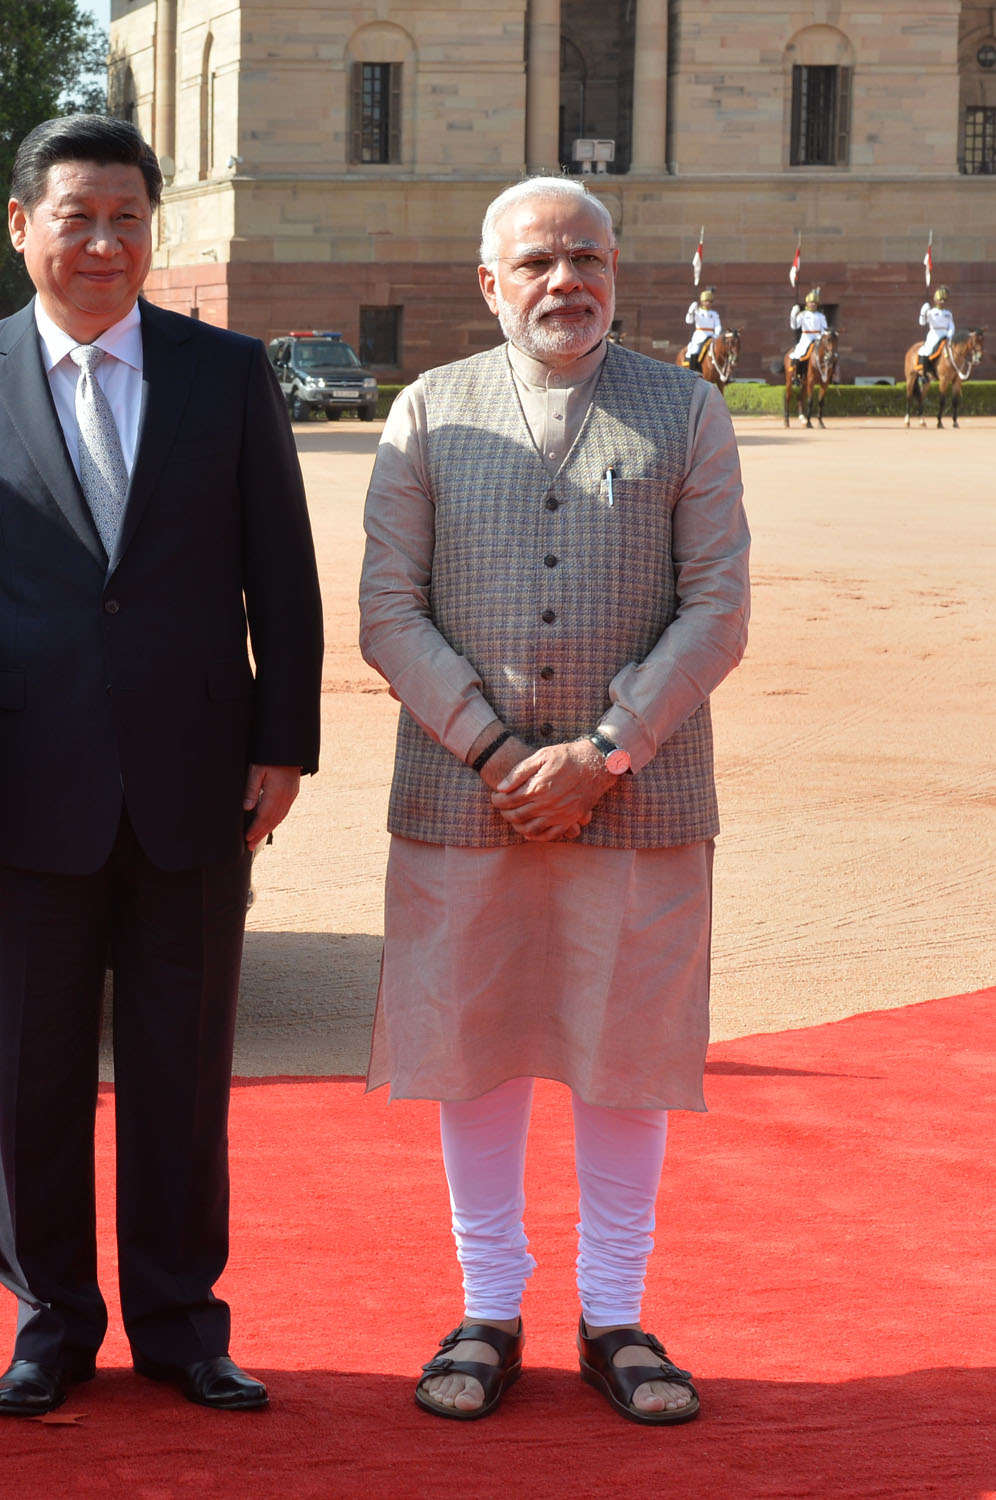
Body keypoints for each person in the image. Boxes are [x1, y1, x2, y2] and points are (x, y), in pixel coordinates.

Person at [0, 114, 325, 1419]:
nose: (103, 240)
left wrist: (283, 741)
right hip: (38, 776)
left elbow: (279, 576)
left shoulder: (226, 375)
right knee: (33, 1069)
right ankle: (50, 1321)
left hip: (200, 780)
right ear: (20, 227)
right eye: (76, 215)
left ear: (154, 232)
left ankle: (184, 1323)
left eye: (128, 216)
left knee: (183, 1068)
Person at [359, 175, 749, 1427]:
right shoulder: (427, 410)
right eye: (535, 262)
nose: (563, 280)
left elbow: (718, 609)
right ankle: (487, 1308)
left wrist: (605, 752)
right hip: (461, 798)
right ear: (490, 283)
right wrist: (493, 753)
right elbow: (386, 612)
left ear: (618, 271)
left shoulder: (687, 409)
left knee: (625, 1064)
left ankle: (617, 1314)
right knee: (472, 1058)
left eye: (586, 256)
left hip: (639, 797)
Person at [916, 286, 955, 381]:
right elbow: (922, 322)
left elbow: (951, 325)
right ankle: (925, 373)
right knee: (926, 350)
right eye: (941, 299)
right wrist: (923, 312)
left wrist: (950, 334)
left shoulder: (948, 313)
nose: (942, 302)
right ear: (936, 300)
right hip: (934, 334)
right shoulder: (931, 312)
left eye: (944, 300)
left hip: (945, 335)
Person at [680, 288, 720, 372]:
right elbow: (689, 321)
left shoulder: (714, 314)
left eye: (710, 301)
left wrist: (716, 335)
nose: (708, 303)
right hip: (699, 335)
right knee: (695, 349)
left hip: (711, 336)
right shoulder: (697, 311)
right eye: (706, 301)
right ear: (702, 301)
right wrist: (690, 311)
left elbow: (718, 326)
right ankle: (693, 370)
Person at [788, 287, 829, 366]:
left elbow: (824, 328)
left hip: (818, 337)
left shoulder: (821, 315)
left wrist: (826, 334)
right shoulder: (803, 314)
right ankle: (797, 373)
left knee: (828, 353)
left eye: (815, 302)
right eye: (811, 302)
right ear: (807, 303)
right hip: (807, 337)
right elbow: (794, 326)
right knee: (799, 352)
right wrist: (793, 315)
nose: (813, 304)